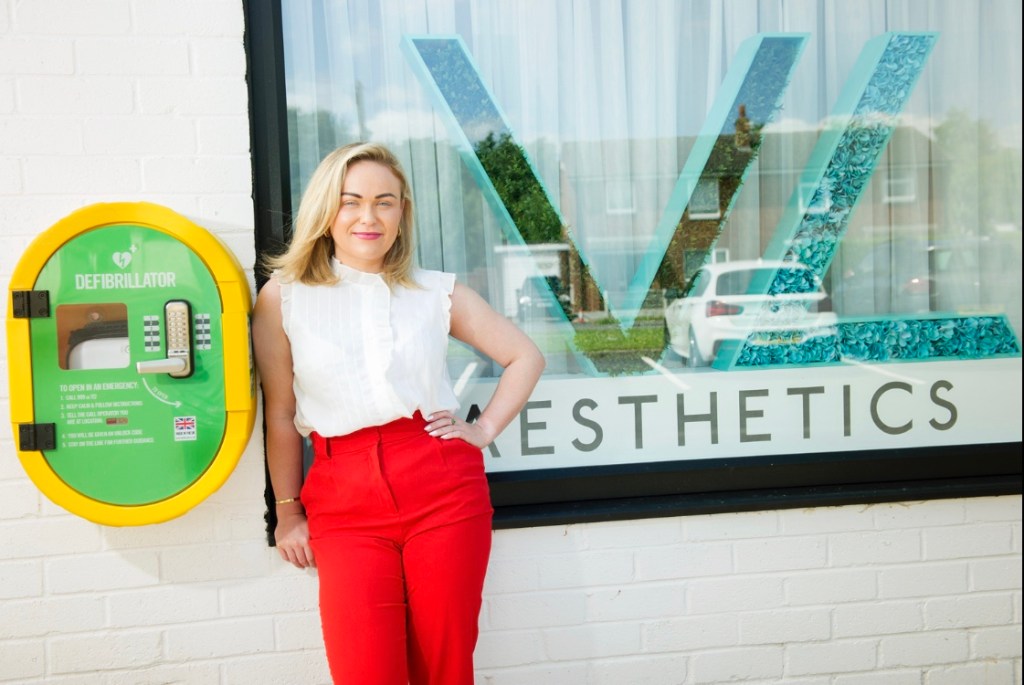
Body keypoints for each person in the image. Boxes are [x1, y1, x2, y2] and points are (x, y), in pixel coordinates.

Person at [251, 142, 545, 685]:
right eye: (351, 201)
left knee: (444, 668)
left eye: (384, 202)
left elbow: (525, 356)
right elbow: (281, 414)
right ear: (326, 210)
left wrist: (483, 429)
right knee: (365, 670)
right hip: (343, 498)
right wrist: (288, 511)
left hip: (442, 490)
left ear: (402, 211)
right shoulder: (284, 298)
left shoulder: (435, 292)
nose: (368, 217)